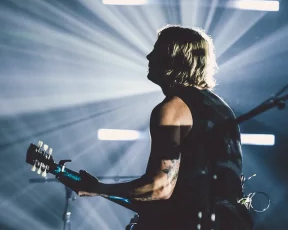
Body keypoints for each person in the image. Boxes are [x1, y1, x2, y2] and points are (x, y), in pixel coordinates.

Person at [68, 25, 253, 230]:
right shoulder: (221, 108)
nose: (148, 56)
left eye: (156, 50)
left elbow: (160, 187)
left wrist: (99, 188)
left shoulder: (172, 109)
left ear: (173, 58)